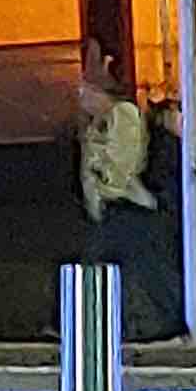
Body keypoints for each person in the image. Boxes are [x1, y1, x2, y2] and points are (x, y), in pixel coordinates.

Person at [77, 57, 171, 337]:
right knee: (137, 265)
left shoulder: (123, 115)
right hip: (114, 206)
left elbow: (121, 163)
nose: (82, 100)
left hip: (127, 205)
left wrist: (105, 186)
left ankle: (83, 319)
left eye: (86, 92)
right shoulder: (100, 122)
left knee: (131, 264)